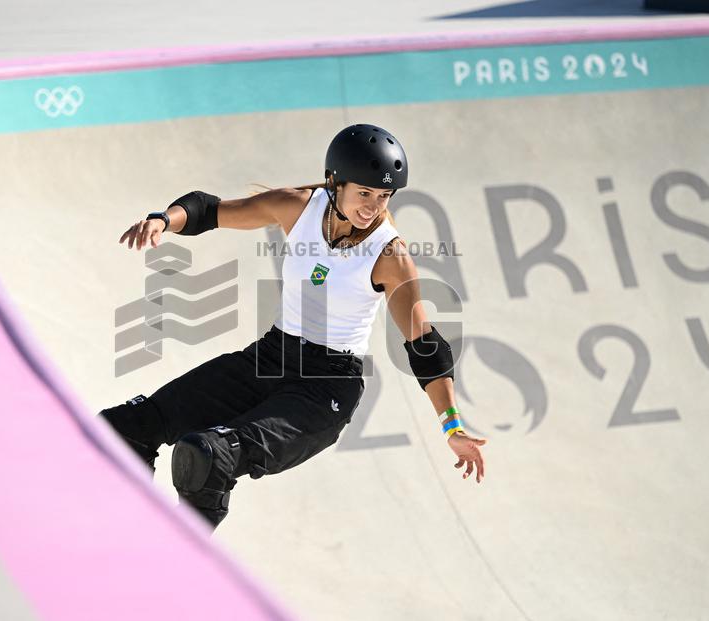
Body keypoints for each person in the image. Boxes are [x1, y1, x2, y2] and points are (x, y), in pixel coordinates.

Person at [103, 123, 486, 532]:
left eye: (383, 196)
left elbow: (424, 345)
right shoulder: (298, 207)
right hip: (269, 358)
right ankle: (110, 527)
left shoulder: (390, 254)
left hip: (324, 389)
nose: (373, 207)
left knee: (208, 456)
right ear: (335, 182)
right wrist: (164, 220)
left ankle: (178, 562)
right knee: (124, 429)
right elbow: (208, 209)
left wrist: (453, 426)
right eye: (364, 193)